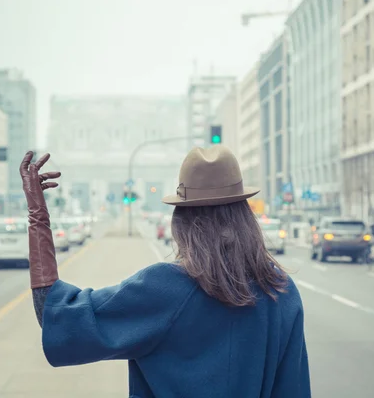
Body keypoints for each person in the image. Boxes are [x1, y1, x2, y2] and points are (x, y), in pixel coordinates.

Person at [20, 146, 311, 398]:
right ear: (246, 215)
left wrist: (38, 219)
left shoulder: (165, 289)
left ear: (182, 220)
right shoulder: (280, 290)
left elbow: (56, 316)